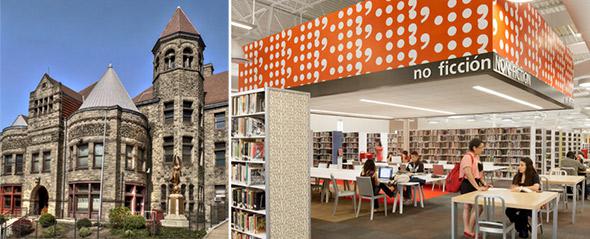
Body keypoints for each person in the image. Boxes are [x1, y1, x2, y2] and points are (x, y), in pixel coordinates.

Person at [460, 138, 490, 238]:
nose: (482, 149)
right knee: (468, 206)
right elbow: (468, 173)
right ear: (474, 147)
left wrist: (484, 183)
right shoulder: (467, 157)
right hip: (468, 183)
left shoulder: (477, 157)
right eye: (481, 147)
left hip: (475, 183)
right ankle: (467, 229)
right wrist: (477, 187)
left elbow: (479, 174)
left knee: (477, 206)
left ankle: (469, 229)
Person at [505, 158, 540, 238]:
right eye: (519, 165)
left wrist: (521, 188)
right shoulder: (517, 176)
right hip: (518, 201)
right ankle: (524, 226)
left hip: (531, 202)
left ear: (528, 166)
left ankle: (522, 230)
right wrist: (515, 188)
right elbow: (513, 187)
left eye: (522, 165)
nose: (519, 167)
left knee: (523, 212)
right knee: (508, 211)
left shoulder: (534, 175)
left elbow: (536, 187)